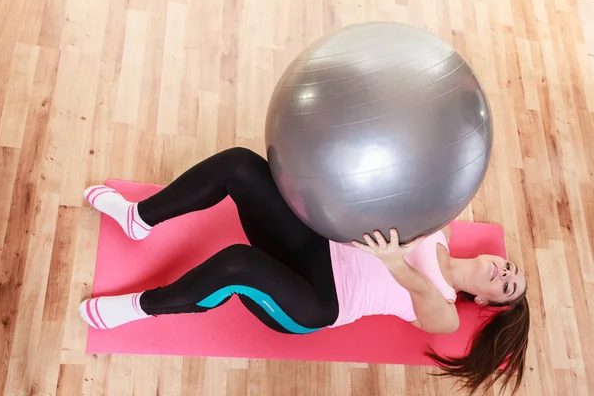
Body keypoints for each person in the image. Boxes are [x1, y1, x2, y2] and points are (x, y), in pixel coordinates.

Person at [79, 147, 529, 394]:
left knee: (237, 263)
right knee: (240, 164)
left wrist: (396, 263)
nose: (502, 272)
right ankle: (139, 218)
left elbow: (424, 301)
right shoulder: (440, 227)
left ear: (487, 302)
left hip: (314, 302)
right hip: (313, 243)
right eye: (510, 268)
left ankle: (142, 308)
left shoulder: (448, 311)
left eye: (506, 286)